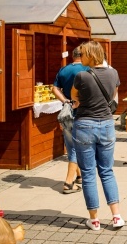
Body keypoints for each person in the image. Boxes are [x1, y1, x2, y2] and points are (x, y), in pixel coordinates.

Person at [71, 41, 124, 231]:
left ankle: (94, 220)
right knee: (107, 170)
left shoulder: (82, 76)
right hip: (107, 125)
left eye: (83, 53)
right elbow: (112, 95)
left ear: (91, 55)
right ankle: (116, 216)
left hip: (85, 124)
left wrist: (80, 102)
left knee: (88, 173)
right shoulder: (114, 73)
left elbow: (74, 97)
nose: (80, 56)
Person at [52, 47, 87, 194]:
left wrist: (66, 101)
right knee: (75, 148)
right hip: (83, 112)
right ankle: (68, 183)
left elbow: (54, 88)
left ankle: (79, 176)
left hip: (67, 112)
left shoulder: (63, 70)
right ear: (83, 55)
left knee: (71, 143)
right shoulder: (87, 69)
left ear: (72, 56)